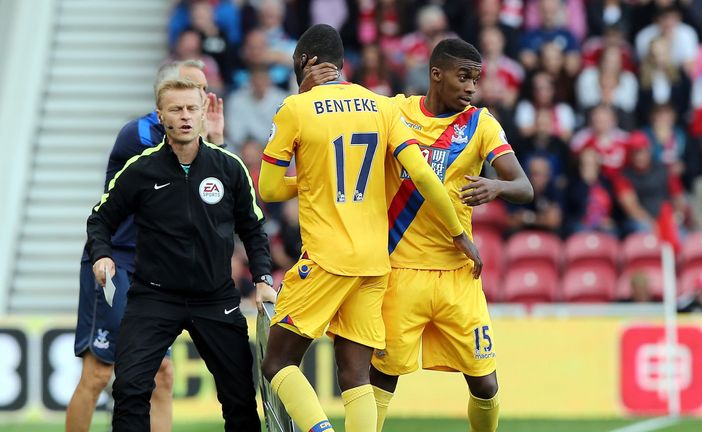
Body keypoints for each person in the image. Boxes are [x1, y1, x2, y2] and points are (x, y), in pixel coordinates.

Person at [299, 37, 533, 432]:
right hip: (399, 270)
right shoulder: (396, 111)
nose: (471, 88)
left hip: (459, 274)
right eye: (463, 77)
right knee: (383, 377)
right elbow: (338, 112)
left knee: (485, 382)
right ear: (436, 74)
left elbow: (524, 187)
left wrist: (497, 187)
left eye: (475, 79)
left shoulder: (481, 124)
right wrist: (306, 92)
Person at [258, 25, 482, 432]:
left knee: (277, 362)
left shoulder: (295, 108)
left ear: (307, 62)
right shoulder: (381, 106)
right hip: (375, 262)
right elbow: (424, 177)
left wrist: (313, 179)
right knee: (355, 375)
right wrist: (458, 234)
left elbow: (270, 189)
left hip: (326, 258)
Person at [86, 78, 274, 431]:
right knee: (129, 389)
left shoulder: (229, 167)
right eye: (176, 109)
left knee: (240, 397)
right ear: (161, 116)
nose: (185, 116)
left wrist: (263, 278)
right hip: (153, 297)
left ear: (204, 114)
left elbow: (253, 228)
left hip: (215, 297)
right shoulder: (140, 170)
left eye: (192, 108)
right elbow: (100, 219)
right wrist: (102, 255)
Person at [66, 59, 224, 432]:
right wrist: (211, 141)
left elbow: (213, 198)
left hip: (156, 271)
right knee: (99, 373)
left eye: (203, 93)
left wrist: (216, 142)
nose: (203, 99)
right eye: (196, 89)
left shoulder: (197, 140)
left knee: (163, 373)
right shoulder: (138, 134)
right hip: (115, 262)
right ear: (166, 99)